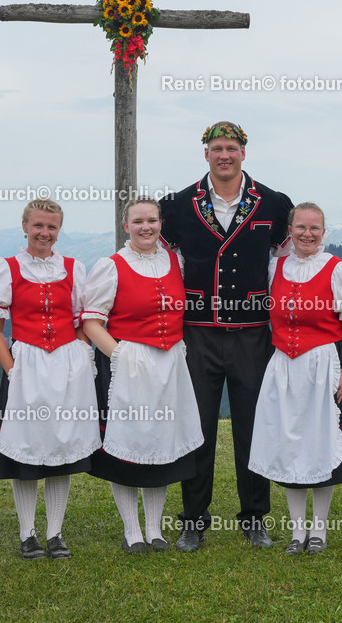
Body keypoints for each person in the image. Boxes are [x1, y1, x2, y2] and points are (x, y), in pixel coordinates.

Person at [159, 121, 294, 552]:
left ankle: (254, 517)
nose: (224, 156)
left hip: (253, 333)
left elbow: (285, 262)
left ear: (243, 154)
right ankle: (193, 520)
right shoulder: (176, 205)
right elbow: (164, 263)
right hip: (197, 332)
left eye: (231, 149)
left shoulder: (274, 203)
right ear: (206, 154)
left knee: (253, 427)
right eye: (217, 148)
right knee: (196, 427)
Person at [82, 198, 205, 553]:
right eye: (138, 221)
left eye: (152, 220)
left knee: (161, 442)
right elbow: (91, 321)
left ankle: (154, 528)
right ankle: (132, 529)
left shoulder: (175, 262)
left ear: (161, 224)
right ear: (126, 226)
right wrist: (120, 355)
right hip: (130, 365)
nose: (146, 227)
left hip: (169, 365)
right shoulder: (112, 266)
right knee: (128, 444)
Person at [0, 199, 100, 560]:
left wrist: (80, 357)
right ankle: (27, 533)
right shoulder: (7, 268)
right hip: (26, 367)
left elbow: (82, 320)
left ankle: (55, 533)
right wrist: (13, 370)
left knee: (62, 448)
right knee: (27, 449)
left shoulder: (73, 268)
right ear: (24, 227)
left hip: (66, 367)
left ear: (59, 230)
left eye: (51, 227)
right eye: (38, 226)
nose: (44, 233)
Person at [247, 202, 342, 555]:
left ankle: (319, 530)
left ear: (323, 232)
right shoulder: (276, 267)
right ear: (290, 230)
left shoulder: (337, 269)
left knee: (319, 444)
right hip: (284, 365)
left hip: (322, 363)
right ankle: (298, 532)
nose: (307, 234)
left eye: (314, 228)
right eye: (300, 227)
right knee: (290, 445)